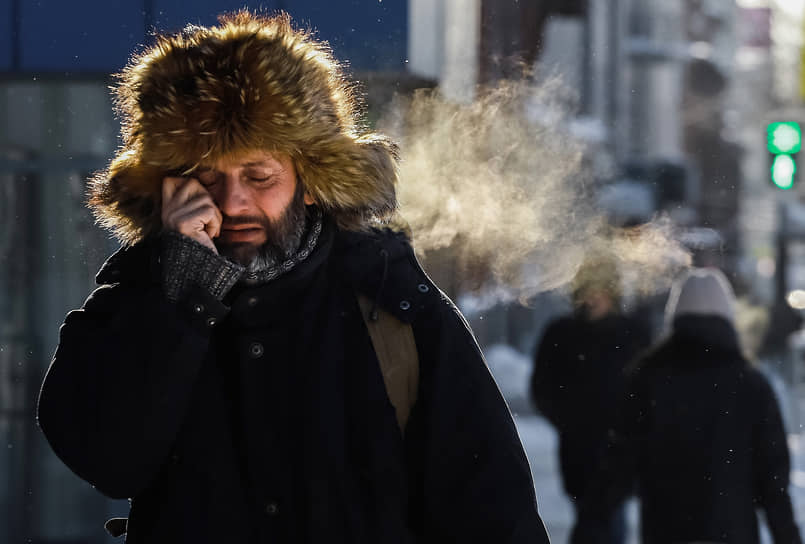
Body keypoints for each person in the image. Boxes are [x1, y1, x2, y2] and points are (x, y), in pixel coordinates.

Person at [36, 11, 550, 544]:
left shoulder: (395, 310)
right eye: (207, 176)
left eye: (259, 176)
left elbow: (494, 514)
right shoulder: (138, 298)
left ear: (310, 182)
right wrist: (183, 296)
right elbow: (108, 460)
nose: (233, 201)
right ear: (173, 187)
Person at [573, 268, 802, 544]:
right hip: (731, 533)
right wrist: (787, 536)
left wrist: (590, 525)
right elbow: (773, 480)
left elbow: (618, 463)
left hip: (667, 531)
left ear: (676, 318)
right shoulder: (751, 385)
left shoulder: (648, 378)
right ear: (727, 319)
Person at [530, 256, 651, 543]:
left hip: (619, 449)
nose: (591, 297)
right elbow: (542, 387)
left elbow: (648, 391)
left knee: (607, 521)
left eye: (598, 289)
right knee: (592, 518)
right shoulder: (562, 334)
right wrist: (568, 421)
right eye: (586, 289)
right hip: (579, 449)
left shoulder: (632, 334)